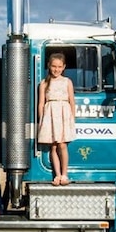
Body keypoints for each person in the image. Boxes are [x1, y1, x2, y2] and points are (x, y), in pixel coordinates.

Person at [37, 52, 76, 186]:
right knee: (53, 146)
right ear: (49, 66)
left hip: (64, 114)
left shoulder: (67, 82)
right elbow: (41, 103)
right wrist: (42, 120)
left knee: (62, 145)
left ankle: (64, 174)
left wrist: (72, 119)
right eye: (54, 66)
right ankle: (57, 175)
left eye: (59, 67)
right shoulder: (44, 83)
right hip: (50, 115)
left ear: (64, 67)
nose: (56, 69)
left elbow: (72, 101)